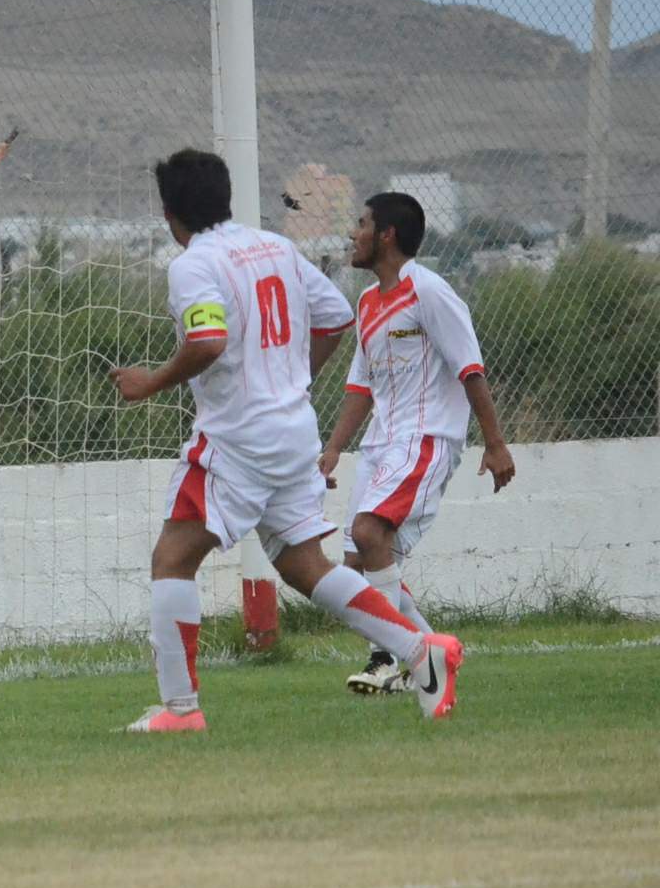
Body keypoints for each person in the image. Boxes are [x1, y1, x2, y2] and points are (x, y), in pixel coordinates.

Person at [111, 149, 464, 731]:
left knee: (172, 559)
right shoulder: (273, 246)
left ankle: (180, 711)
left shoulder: (192, 265)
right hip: (293, 432)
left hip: (237, 438)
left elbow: (207, 341)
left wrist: (150, 382)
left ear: (170, 213)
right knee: (305, 566)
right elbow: (334, 316)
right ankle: (419, 649)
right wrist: (292, 381)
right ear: (224, 198)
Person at [319, 192, 517, 695]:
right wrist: (335, 447)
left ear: (386, 234)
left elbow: (470, 369)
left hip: (426, 439)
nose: (352, 233)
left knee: (368, 534)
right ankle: (431, 653)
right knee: (353, 566)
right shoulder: (366, 303)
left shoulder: (431, 292)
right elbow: (360, 386)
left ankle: (388, 655)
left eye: (361, 223)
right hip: (381, 444)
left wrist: (494, 444)